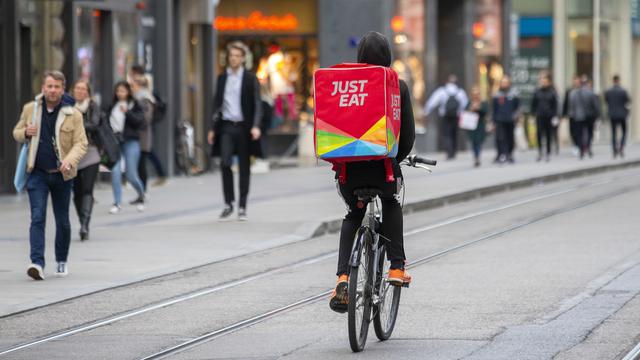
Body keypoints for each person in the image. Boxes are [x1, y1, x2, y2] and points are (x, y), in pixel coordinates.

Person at [329, 31, 416, 313]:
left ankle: (342, 277)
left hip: (349, 174)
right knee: (390, 202)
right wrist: (395, 160)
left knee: (354, 214)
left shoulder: (345, 85)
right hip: (383, 172)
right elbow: (408, 135)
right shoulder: (396, 85)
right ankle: (396, 267)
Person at [13, 70, 88, 280]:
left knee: (62, 220)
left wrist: (69, 160)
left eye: (56, 86)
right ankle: (36, 263)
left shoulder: (74, 114)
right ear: (43, 88)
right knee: (37, 217)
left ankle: (61, 260)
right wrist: (25, 132)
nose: (52, 90)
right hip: (37, 172)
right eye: (49, 86)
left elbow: (81, 143)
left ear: (63, 89)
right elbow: (16, 132)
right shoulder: (31, 109)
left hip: (62, 175)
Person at [207, 41, 262, 221]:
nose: (234, 59)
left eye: (237, 56)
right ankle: (229, 202)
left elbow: (257, 104)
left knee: (244, 167)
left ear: (243, 59)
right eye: (231, 56)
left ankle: (242, 206)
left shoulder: (250, 78)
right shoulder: (222, 78)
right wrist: (212, 129)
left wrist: (255, 126)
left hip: (245, 127)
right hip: (226, 126)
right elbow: (216, 103)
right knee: (225, 162)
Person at [106, 81, 146, 213]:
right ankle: (117, 203)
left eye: (123, 91)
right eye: (118, 91)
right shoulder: (113, 105)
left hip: (131, 142)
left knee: (131, 175)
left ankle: (141, 195)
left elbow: (139, 122)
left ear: (128, 92)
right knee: (115, 172)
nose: (120, 93)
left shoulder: (135, 105)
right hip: (116, 142)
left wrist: (127, 112)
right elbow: (106, 122)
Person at [71, 80, 100, 241]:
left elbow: (94, 125)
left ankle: (85, 225)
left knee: (88, 189)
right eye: (78, 88)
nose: (80, 91)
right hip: (73, 153)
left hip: (91, 152)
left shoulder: (92, 106)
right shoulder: (67, 106)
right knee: (77, 190)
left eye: (83, 89)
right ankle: (82, 219)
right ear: (73, 91)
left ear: (88, 92)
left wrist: (77, 124)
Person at [129, 65, 167, 186]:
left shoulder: (144, 96)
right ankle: (159, 175)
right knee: (144, 157)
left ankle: (143, 190)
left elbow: (145, 117)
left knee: (143, 159)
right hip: (142, 132)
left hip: (143, 132)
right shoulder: (141, 95)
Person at [424, 74, 468, 160]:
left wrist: (426, 111)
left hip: (445, 116)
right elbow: (465, 104)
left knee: (447, 134)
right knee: (454, 134)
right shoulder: (460, 91)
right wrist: (462, 114)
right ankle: (454, 152)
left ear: (447, 81)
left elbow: (433, 101)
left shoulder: (442, 91)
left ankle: (449, 152)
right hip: (456, 116)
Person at [131, 76, 155, 191]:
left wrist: (133, 121)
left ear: (139, 86)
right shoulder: (140, 99)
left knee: (141, 165)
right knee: (139, 165)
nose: (132, 88)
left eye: (133, 86)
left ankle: (143, 192)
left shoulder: (144, 99)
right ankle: (141, 192)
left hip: (142, 137)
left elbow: (145, 119)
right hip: (141, 137)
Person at [569, 75, 600, 159]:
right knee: (589, 133)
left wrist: (573, 115)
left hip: (578, 117)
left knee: (579, 133)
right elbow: (596, 105)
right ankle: (588, 147)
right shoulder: (591, 92)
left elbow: (572, 106)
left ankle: (581, 149)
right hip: (589, 116)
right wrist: (597, 115)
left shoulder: (574, 93)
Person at [530, 73, 559, 162]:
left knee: (548, 135)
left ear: (549, 82)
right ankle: (540, 152)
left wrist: (555, 116)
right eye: (542, 80)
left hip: (549, 116)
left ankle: (548, 152)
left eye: (545, 80)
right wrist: (532, 115)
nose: (543, 82)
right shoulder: (537, 92)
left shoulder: (552, 92)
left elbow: (555, 105)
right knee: (539, 134)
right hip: (539, 116)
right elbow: (533, 104)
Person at [492, 76, 520, 164]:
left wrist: (515, 116)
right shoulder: (497, 95)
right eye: (503, 82)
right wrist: (493, 121)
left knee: (510, 137)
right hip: (500, 120)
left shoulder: (514, 94)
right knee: (500, 138)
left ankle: (509, 154)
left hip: (510, 120)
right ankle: (502, 154)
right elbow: (494, 109)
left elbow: (518, 107)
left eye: (506, 82)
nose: (504, 84)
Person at [604, 75, 631, 158]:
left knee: (613, 133)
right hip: (622, 115)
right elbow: (628, 101)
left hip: (612, 115)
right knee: (624, 132)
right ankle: (621, 148)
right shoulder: (623, 91)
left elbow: (606, 101)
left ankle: (614, 150)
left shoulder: (608, 92)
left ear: (613, 81)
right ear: (619, 81)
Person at [465, 86, 489, 167]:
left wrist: (478, 109)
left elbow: (486, 111)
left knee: (479, 142)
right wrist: (471, 109)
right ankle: (476, 157)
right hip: (472, 126)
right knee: (474, 142)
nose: (475, 95)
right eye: (474, 94)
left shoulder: (483, 103)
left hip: (480, 125)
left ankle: (477, 156)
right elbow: (465, 112)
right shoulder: (469, 103)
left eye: (477, 94)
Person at [562, 76, 582, 154]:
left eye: (577, 81)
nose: (576, 82)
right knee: (572, 131)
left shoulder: (582, 90)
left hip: (580, 115)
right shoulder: (569, 90)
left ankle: (579, 145)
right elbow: (565, 102)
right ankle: (575, 145)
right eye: (574, 81)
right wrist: (564, 114)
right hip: (571, 114)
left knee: (579, 131)